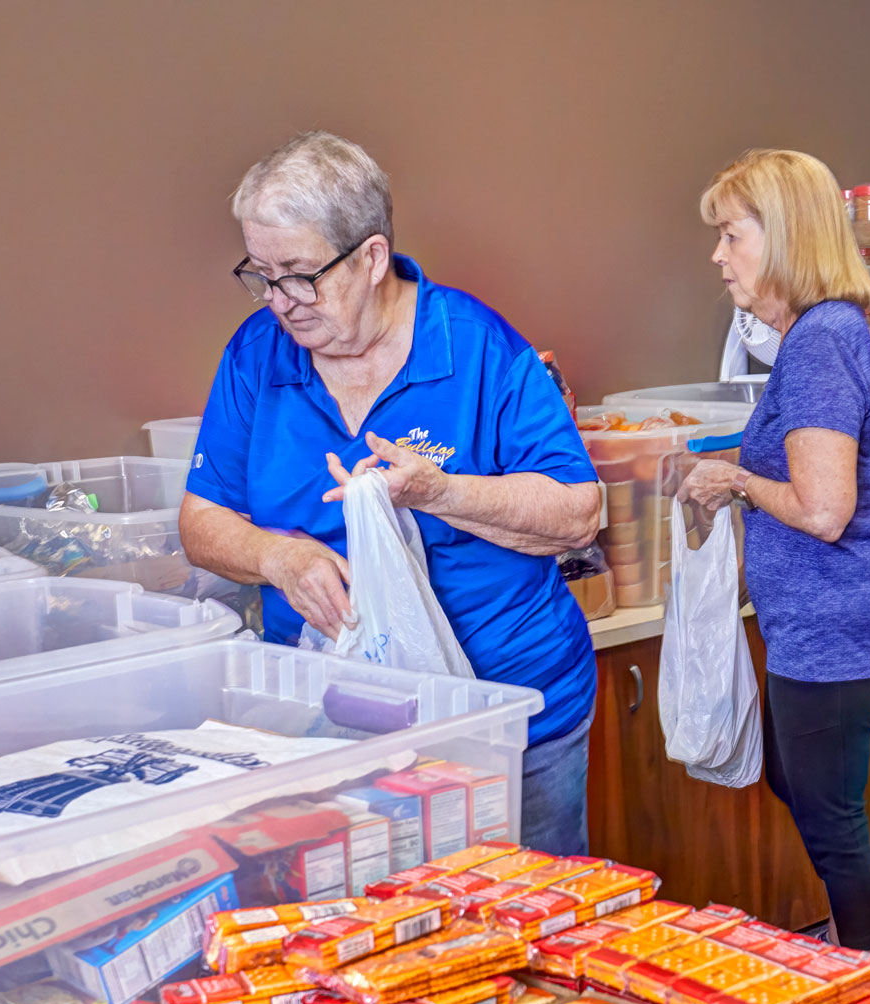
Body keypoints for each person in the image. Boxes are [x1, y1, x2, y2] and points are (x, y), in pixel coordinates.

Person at [178, 131, 602, 853]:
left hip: (511, 719)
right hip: (334, 722)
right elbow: (201, 517)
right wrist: (277, 558)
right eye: (262, 274)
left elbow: (577, 513)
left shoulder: (474, 347)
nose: (281, 301)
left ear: (371, 258)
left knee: (525, 928)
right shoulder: (257, 355)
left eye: (301, 274)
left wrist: (439, 491)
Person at [676, 149, 870, 977]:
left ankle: (869, 967)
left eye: (731, 235)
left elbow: (823, 508)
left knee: (827, 809)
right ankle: (860, 947)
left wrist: (736, 479)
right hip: (826, 623)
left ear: (782, 238)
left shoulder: (817, 345)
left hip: (833, 627)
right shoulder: (821, 338)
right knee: (798, 779)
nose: (718, 255)